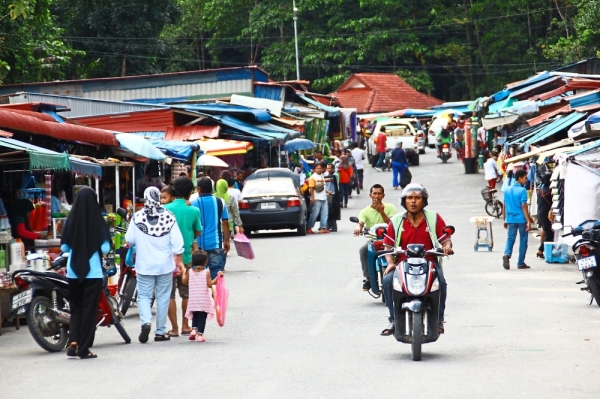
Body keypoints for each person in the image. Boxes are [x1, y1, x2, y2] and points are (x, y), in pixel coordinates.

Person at [381, 184, 453, 336]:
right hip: (402, 263)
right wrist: (391, 263)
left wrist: (446, 247)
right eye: (409, 198)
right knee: (387, 281)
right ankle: (393, 319)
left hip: (429, 261)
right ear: (404, 201)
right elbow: (387, 244)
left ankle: (439, 320)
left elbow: (445, 238)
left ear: (424, 201)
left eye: (417, 198)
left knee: (441, 283)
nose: (413, 201)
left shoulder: (434, 217)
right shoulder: (395, 220)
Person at [125, 187, 185, 343]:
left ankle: (145, 322)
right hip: (165, 265)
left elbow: (129, 239)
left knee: (144, 296)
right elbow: (178, 242)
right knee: (163, 297)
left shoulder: (137, 218)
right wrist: (179, 259)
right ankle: (160, 332)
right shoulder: (169, 217)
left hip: (144, 265)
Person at [60, 187, 111, 359]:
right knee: (90, 311)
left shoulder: (71, 220)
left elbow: (64, 247)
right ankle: (84, 348)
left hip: (73, 272)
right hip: (93, 272)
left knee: (76, 309)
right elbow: (105, 248)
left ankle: (73, 341)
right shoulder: (98, 221)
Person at [164, 177, 202, 337]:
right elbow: (198, 232)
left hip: (167, 259)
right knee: (186, 293)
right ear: (190, 192)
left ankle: (173, 328)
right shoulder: (193, 210)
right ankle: (186, 325)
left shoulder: (164, 209)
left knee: (169, 294)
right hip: (186, 258)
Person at [354, 184, 396, 291]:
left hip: (389, 240)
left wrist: (381, 212)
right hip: (373, 240)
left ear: (383, 195)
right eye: (374, 193)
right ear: (370, 195)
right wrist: (358, 227)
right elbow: (360, 223)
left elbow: (392, 224)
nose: (377, 196)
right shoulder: (365, 211)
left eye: (379, 193)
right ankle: (368, 278)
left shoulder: (390, 208)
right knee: (363, 250)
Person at [192, 177, 231, 278]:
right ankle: (216, 293)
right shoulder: (220, 202)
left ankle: (201, 294)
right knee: (217, 274)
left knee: (199, 276)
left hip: (199, 246)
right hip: (216, 243)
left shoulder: (193, 203)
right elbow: (225, 222)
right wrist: (226, 240)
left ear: (199, 189)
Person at [183, 250, 220, 342]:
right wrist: (217, 278)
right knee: (202, 317)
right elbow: (209, 284)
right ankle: (200, 335)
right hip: (203, 299)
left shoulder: (190, 271)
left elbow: (184, 281)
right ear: (205, 261)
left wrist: (183, 272)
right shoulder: (206, 272)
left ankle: (193, 331)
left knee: (195, 315)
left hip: (193, 299)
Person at [503, 169, 533, 270]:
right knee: (523, 240)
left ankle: (506, 254)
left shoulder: (507, 189)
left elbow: (505, 205)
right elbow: (524, 206)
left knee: (510, 239)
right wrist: (528, 220)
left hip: (510, 218)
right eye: (525, 178)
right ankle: (520, 263)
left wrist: (505, 219)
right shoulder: (522, 190)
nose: (526, 180)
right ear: (519, 178)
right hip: (521, 219)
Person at [306, 162, 330, 234]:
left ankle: (322, 228)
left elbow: (321, 186)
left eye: (320, 168)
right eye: (317, 168)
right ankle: (309, 227)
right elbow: (311, 188)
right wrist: (312, 198)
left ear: (323, 169)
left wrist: (327, 191)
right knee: (314, 214)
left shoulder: (321, 176)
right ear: (314, 169)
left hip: (324, 198)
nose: (318, 169)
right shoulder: (312, 177)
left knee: (324, 214)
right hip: (317, 199)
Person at [536, 173, 554, 259]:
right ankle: (540, 250)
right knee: (550, 233)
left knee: (545, 230)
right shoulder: (549, 191)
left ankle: (542, 250)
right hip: (546, 213)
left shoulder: (540, 190)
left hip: (540, 212)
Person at [324, 163, 340, 232]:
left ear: (333, 168)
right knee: (327, 210)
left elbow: (330, 179)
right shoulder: (327, 175)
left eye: (330, 168)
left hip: (334, 195)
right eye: (327, 168)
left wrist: (320, 180)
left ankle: (333, 226)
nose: (328, 169)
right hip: (328, 195)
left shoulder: (335, 175)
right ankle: (328, 226)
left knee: (332, 211)